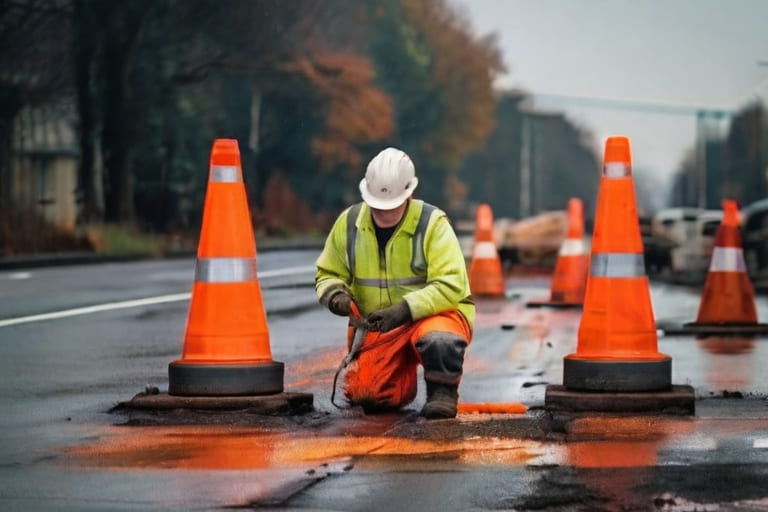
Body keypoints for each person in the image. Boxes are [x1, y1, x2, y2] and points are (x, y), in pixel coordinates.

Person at [315, 147, 475, 419]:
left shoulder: (432, 224)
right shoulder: (349, 222)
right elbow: (327, 272)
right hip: (380, 326)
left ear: (409, 195)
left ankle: (442, 394)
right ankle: (397, 385)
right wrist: (335, 295)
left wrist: (404, 309)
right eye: (376, 205)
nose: (382, 212)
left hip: (435, 316)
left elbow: (451, 285)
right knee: (368, 396)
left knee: (439, 339)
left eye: (390, 206)